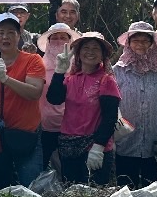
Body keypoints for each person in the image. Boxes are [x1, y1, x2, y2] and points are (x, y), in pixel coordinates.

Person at [45, 32, 120, 185]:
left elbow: (110, 117)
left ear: (102, 55)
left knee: (93, 193)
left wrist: (98, 147)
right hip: (68, 147)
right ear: (78, 53)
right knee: (71, 192)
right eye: (86, 48)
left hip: (94, 148)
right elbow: (54, 99)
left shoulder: (106, 80)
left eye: (95, 48)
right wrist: (59, 72)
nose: (90, 52)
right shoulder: (71, 79)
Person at [0, 12, 46, 188]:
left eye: (11, 32)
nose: (5, 37)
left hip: (26, 136)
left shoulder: (32, 60)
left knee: (31, 188)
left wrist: (6, 79)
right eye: (1, 32)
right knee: (0, 189)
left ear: (19, 36)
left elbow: (35, 92)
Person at [113, 21, 157, 188]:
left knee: (155, 194)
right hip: (125, 144)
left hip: (155, 146)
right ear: (129, 43)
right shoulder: (117, 71)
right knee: (126, 191)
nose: (140, 44)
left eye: (145, 40)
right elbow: (110, 106)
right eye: (136, 40)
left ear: (152, 44)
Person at [37, 23, 79, 172]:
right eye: (54, 38)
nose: (59, 41)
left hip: (71, 127)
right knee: (41, 167)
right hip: (44, 126)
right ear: (48, 42)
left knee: (68, 169)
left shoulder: (78, 67)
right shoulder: (39, 65)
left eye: (63, 37)